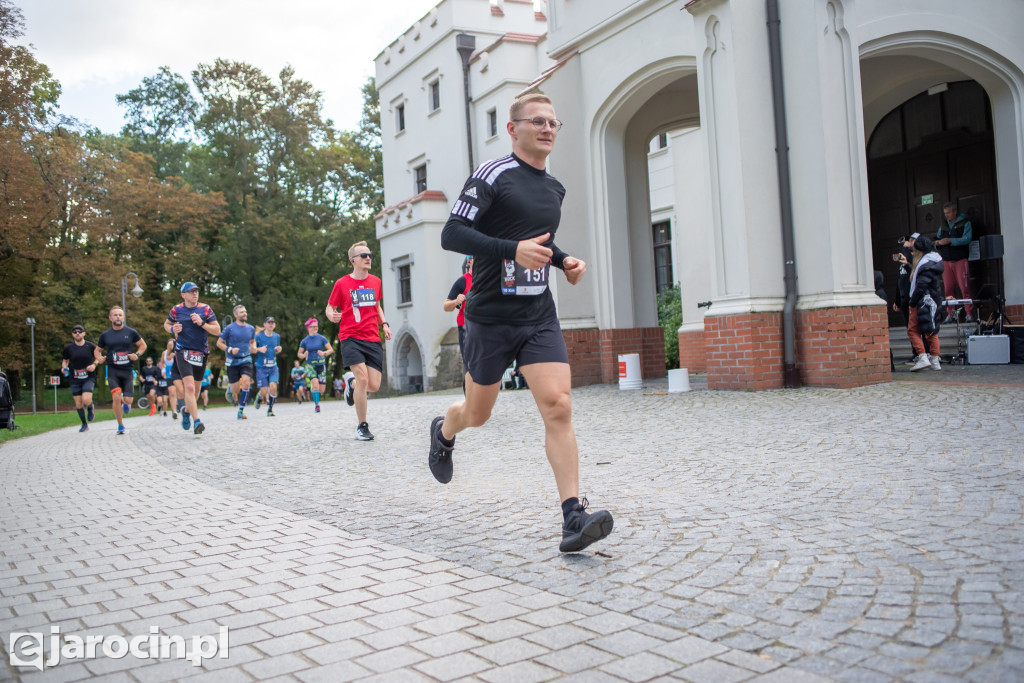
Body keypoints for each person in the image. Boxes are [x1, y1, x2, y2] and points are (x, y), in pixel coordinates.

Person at [428, 91, 614, 553]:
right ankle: (445, 430)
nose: (548, 128)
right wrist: (512, 251)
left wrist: (565, 261)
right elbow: (453, 234)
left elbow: (537, 242)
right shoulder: (492, 175)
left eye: (553, 122)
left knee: (558, 406)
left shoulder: (555, 188)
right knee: (478, 413)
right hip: (490, 318)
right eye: (538, 121)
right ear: (513, 129)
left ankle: (573, 515)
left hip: (537, 316)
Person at [325, 241, 392, 440]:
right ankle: (362, 426)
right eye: (363, 255)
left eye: (369, 254)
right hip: (350, 337)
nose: (368, 258)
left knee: (373, 385)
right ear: (352, 260)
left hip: (372, 338)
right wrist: (331, 316)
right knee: (363, 379)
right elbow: (330, 307)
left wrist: (385, 324)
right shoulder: (341, 283)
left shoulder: (376, 282)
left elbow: (377, 306)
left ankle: (351, 385)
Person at [164, 282, 220, 434]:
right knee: (189, 387)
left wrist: (202, 323)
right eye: (190, 291)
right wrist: (171, 328)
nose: (194, 294)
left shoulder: (205, 309)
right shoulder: (177, 310)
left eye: (196, 291)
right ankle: (197, 421)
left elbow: (217, 330)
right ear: (183, 295)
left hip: (201, 353)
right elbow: (166, 323)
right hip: (183, 351)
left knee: (195, 391)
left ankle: (186, 411)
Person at [95, 306, 147, 435]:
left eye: (120, 315)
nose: (118, 317)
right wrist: (98, 358)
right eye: (115, 315)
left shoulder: (131, 332)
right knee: (116, 396)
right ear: (110, 318)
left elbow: (143, 345)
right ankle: (120, 425)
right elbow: (97, 350)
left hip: (127, 370)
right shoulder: (105, 335)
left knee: (128, 400)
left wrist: (137, 355)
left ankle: (127, 404)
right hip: (113, 370)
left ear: (123, 317)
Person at [907, 234, 945, 371]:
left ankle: (923, 357)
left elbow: (921, 286)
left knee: (912, 330)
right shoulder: (934, 262)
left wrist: (912, 302)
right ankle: (935, 361)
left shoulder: (925, 265)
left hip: (922, 301)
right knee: (931, 330)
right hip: (932, 300)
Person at [936, 202, 975, 322]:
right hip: (946, 260)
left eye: (948, 213)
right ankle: (951, 314)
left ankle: (969, 313)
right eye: (945, 213)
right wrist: (938, 243)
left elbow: (967, 239)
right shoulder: (943, 225)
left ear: (955, 211)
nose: (946, 215)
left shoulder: (965, 223)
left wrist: (950, 240)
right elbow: (937, 238)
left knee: (965, 288)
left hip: (960, 259)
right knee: (948, 289)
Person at [217, 304, 256, 420]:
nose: (244, 314)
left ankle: (241, 409)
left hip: (246, 359)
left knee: (246, 382)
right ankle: (230, 389)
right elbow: (219, 343)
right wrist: (229, 349)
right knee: (235, 389)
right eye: (241, 312)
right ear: (235, 315)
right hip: (233, 361)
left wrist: (253, 347)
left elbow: (253, 341)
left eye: (245, 311)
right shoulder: (229, 328)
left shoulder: (251, 328)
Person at [61, 324, 98, 432]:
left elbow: (98, 358)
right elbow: (65, 360)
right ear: (72, 334)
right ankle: (84, 424)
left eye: (79, 331)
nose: (77, 333)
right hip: (75, 378)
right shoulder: (68, 348)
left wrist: (94, 365)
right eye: (75, 332)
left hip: (88, 377)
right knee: (78, 403)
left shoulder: (90, 346)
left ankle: (90, 407)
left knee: (86, 399)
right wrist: (64, 368)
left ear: (84, 333)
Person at [297, 318, 333, 414]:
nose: (314, 328)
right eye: (312, 327)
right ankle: (317, 405)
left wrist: (324, 353)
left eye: (316, 326)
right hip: (310, 365)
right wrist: (303, 355)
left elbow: (331, 350)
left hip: (321, 365)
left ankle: (315, 390)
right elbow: (299, 354)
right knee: (315, 384)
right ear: (308, 328)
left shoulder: (322, 338)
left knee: (321, 390)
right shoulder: (305, 341)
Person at [444, 255, 474, 363]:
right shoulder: (463, 281)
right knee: (470, 365)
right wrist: (456, 301)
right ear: (468, 262)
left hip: (486, 326)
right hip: (466, 328)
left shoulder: (488, 279)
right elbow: (446, 306)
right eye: (475, 258)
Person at [254, 316, 282, 417]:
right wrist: (259, 349)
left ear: (274, 325)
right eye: (268, 322)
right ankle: (259, 397)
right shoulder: (258, 337)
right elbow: (252, 350)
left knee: (273, 387)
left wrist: (279, 349)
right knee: (264, 390)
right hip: (261, 366)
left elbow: (276, 350)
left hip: (273, 366)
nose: (271, 324)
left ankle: (270, 409)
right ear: (264, 324)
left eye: (272, 323)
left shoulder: (277, 336)